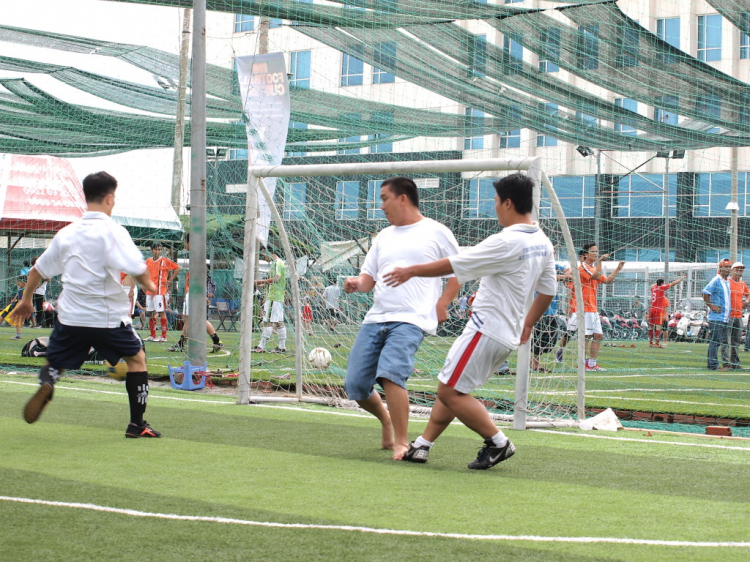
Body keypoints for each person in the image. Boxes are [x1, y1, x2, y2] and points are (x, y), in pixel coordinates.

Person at [384, 173, 556, 469]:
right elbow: (549, 290)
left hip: (486, 329)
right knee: (454, 387)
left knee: (449, 391)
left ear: (508, 203)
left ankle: (499, 443)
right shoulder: (543, 241)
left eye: (495, 201)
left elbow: (454, 265)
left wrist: (411, 271)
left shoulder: (507, 241)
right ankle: (423, 445)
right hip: (506, 334)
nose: (495, 207)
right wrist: (528, 323)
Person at [12, 171, 161, 437]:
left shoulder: (66, 234)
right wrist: (148, 284)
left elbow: (38, 270)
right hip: (106, 317)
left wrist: (25, 301)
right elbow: (137, 267)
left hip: (69, 317)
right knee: (137, 359)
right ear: (109, 198)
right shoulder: (114, 232)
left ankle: (48, 384)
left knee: (55, 361)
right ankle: (137, 425)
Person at [344, 176, 459, 461]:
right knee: (355, 384)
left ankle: (402, 441)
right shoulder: (383, 236)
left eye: (384, 198)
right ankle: (385, 418)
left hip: (412, 319)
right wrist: (356, 283)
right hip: (375, 318)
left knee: (391, 373)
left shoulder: (436, 231)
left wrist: (443, 302)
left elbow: (460, 271)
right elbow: (368, 279)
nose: (381, 205)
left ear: (403, 198)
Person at [571, 244, 625, 371]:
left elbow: (606, 281)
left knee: (598, 336)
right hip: (585, 307)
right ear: (585, 254)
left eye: (597, 251)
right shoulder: (583, 267)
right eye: (593, 251)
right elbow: (595, 276)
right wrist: (600, 262)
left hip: (593, 308)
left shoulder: (594, 267)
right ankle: (581, 363)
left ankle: (592, 364)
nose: (596, 253)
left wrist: (618, 268)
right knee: (587, 336)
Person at [168, 233, 223, 353]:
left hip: (195, 293)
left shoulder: (198, 255)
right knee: (189, 319)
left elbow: (200, 275)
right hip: (192, 292)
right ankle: (183, 344)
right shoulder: (195, 255)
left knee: (194, 319)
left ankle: (215, 341)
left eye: (185, 242)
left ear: (189, 242)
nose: (185, 245)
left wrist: (202, 294)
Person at [531, 264, 572, 372]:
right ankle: (535, 363)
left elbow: (570, 272)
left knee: (549, 339)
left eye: (554, 252)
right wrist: (564, 277)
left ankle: (534, 360)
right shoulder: (537, 264)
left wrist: (566, 275)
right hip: (538, 304)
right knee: (538, 337)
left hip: (552, 307)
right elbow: (547, 277)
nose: (553, 254)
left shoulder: (554, 265)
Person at [253, 250, 288, 353]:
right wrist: (263, 285)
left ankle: (261, 346)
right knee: (278, 322)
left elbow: (277, 278)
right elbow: (275, 281)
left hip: (273, 297)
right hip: (277, 297)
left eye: (264, 256)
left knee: (267, 321)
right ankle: (282, 347)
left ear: (270, 253)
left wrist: (261, 281)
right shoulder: (277, 263)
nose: (263, 258)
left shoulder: (277, 263)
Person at [144, 242, 180, 342]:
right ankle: (152, 335)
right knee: (150, 312)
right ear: (152, 250)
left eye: (159, 249)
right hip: (149, 292)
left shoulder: (165, 261)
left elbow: (178, 268)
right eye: (156, 249)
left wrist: (170, 280)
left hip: (160, 291)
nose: (158, 251)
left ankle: (163, 336)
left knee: (161, 312)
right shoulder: (148, 261)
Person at [702, 259, 732, 371]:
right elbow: (705, 292)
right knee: (715, 341)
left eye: (730, 267)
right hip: (716, 317)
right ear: (721, 268)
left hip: (724, 317)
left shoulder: (727, 281)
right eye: (726, 267)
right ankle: (712, 365)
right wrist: (711, 306)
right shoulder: (716, 280)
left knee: (719, 341)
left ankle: (715, 363)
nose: (728, 269)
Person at [721, 262, 748, 369]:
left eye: (741, 269)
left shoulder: (742, 284)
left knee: (736, 341)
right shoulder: (727, 282)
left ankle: (735, 362)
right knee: (726, 340)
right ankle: (726, 362)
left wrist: (746, 301)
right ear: (732, 270)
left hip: (738, 315)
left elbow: (748, 293)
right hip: (728, 315)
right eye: (737, 269)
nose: (739, 271)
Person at [648, 275, 686, 348]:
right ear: (662, 284)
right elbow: (673, 283)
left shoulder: (653, 288)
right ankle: (657, 344)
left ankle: (650, 343)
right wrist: (680, 279)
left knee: (651, 327)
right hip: (658, 310)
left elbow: (653, 285)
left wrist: (657, 283)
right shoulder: (662, 288)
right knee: (658, 327)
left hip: (651, 309)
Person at [30, 257, 48, 328]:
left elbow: (48, 278)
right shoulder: (32, 269)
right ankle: (28, 322)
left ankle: (39, 323)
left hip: (40, 291)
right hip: (32, 291)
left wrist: (41, 278)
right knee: (30, 307)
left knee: (39, 308)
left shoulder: (44, 269)